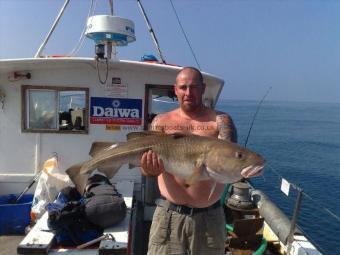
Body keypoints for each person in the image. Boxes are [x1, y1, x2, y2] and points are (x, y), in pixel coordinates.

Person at [141, 67, 238, 255]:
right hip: (169, 215)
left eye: (194, 87)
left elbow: (230, 161)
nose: (188, 92)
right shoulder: (161, 122)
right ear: (175, 89)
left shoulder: (220, 121)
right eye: (183, 87)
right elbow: (145, 169)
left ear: (203, 89)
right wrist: (148, 170)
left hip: (209, 218)